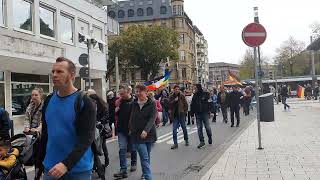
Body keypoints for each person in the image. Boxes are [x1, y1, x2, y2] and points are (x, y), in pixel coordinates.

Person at [39, 57, 96, 180]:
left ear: (72, 75)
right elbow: (45, 135)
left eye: (59, 72)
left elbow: (87, 138)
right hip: (51, 167)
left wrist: (66, 164)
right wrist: (40, 166)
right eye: (53, 71)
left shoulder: (85, 101)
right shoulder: (48, 100)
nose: (54, 75)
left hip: (78, 170)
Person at [130, 85, 157, 180]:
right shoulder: (134, 104)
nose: (137, 93)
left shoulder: (152, 103)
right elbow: (132, 117)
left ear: (145, 92)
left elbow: (152, 118)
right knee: (144, 157)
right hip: (137, 135)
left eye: (139, 91)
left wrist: (146, 130)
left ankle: (144, 173)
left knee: (146, 156)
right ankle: (148, 177)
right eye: (136, 91)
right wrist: (130, 128)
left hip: (149, 134)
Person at [113, 85, 137, 179]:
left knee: (133, 148)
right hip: (121, 129)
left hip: (131, 129)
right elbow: (116, 113)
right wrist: (116, 111)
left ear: (128, 92)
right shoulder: (120, 101)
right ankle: (123, 170)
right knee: (122, 149)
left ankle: (133, 163)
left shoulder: (134, 102)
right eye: (120, 93)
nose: (120, 95)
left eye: (122, 93)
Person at [87, 89, 111, 179]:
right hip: (98, 129)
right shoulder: (101, 103)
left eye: (88, 94)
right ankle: (102, 165)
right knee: (100, 147)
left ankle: (99, 168)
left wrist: (99, 122)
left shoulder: (94, 104)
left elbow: (105, 116)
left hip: (97, 130)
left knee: (97, 149)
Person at [24, 87, 44, 179]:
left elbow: (43, 121)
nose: (34, 96)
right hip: (31, 136)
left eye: (36, 95)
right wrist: (27, 127)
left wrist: (38, 129)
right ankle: (37, 175)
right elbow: (27, 118)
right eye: (32, 95)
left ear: (40, 95)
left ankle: (39, 175)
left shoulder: (44, 106)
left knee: (39, 157)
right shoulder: (30, 106)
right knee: (33, 157)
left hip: (40, 136)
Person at [191, 84, 212, 149]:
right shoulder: (194, 95)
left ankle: (209, 137)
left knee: (207, 127)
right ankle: (202, 141)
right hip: (197, 114)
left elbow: (210, 103)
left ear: (199, 88)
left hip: (205, 113)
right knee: (199, 128)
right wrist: (192, 115)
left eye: (195, 88)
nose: (195, 89)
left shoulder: (206, 94)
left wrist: (211, 111)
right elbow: (192, 105)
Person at [168, 85, 189, 150]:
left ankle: (186, 140)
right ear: (173, 90)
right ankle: (175, 143)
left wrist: (184, 112)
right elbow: (169, 105)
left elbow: (186, 104)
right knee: (174, 130)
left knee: (184, 128)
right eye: (176, 89)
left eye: (178, 89)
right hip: (175, 116)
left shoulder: (182, 95)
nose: (177, 90)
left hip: (181, 114)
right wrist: (174, 100)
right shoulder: (171, 96)